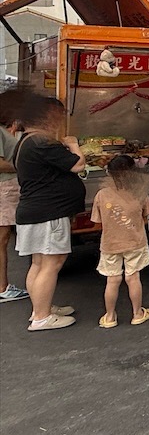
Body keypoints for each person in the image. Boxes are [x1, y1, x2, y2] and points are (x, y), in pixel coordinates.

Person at [13, 94, 84, 331]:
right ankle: (42, 318)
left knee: (39, 263)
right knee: (51, 263)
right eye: (57, 116)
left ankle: (40, 310)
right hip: (48, 212)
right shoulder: (42, 142)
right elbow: (78, 164)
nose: (59, 121)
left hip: (34, 210)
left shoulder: (26, 140)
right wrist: (74, 145)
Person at [91, 155, 149, 327]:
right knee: (133, 278)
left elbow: (97, 221)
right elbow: (146, 217)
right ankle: (137, 313)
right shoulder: (139, 193)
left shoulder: (102, 194)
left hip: (110, 244)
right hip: (135, 242)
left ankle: (110, 316)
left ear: (109, 174)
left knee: (112, 280)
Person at [0, 97, 29, 302]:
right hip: (5, 187)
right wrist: (22, 165)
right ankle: (2, 288)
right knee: (1, 239)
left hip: (7, 186)